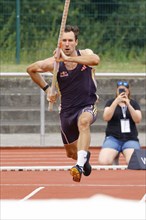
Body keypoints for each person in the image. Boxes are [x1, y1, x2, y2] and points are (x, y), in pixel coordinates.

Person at [27, 25, 100, 182]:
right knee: (70, 153)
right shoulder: (54, 63)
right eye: (64, 41)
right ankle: (83, 158)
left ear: (76, 42)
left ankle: (79, 166)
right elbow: (31, 69)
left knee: (84, 122)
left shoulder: (85, 54)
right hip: (67, 111)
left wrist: (69, 58)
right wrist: (47, 90)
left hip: (87, 105)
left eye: (70, 40)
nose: (67, 44)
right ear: (60, 44)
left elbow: (96, 60)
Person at [98, 81, 142, 165]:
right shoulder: (110, 102)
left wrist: (128, 104)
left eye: (124, 90)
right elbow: (106, 117)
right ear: (116, 91)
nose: (122, 92)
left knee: (134, 163)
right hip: (113, 138)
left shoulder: (134, 103)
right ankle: (114, 154)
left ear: (128, 91)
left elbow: (138, 119)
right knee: (104, 161)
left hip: (130, 138)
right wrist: (116, 102)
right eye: (120, 90)